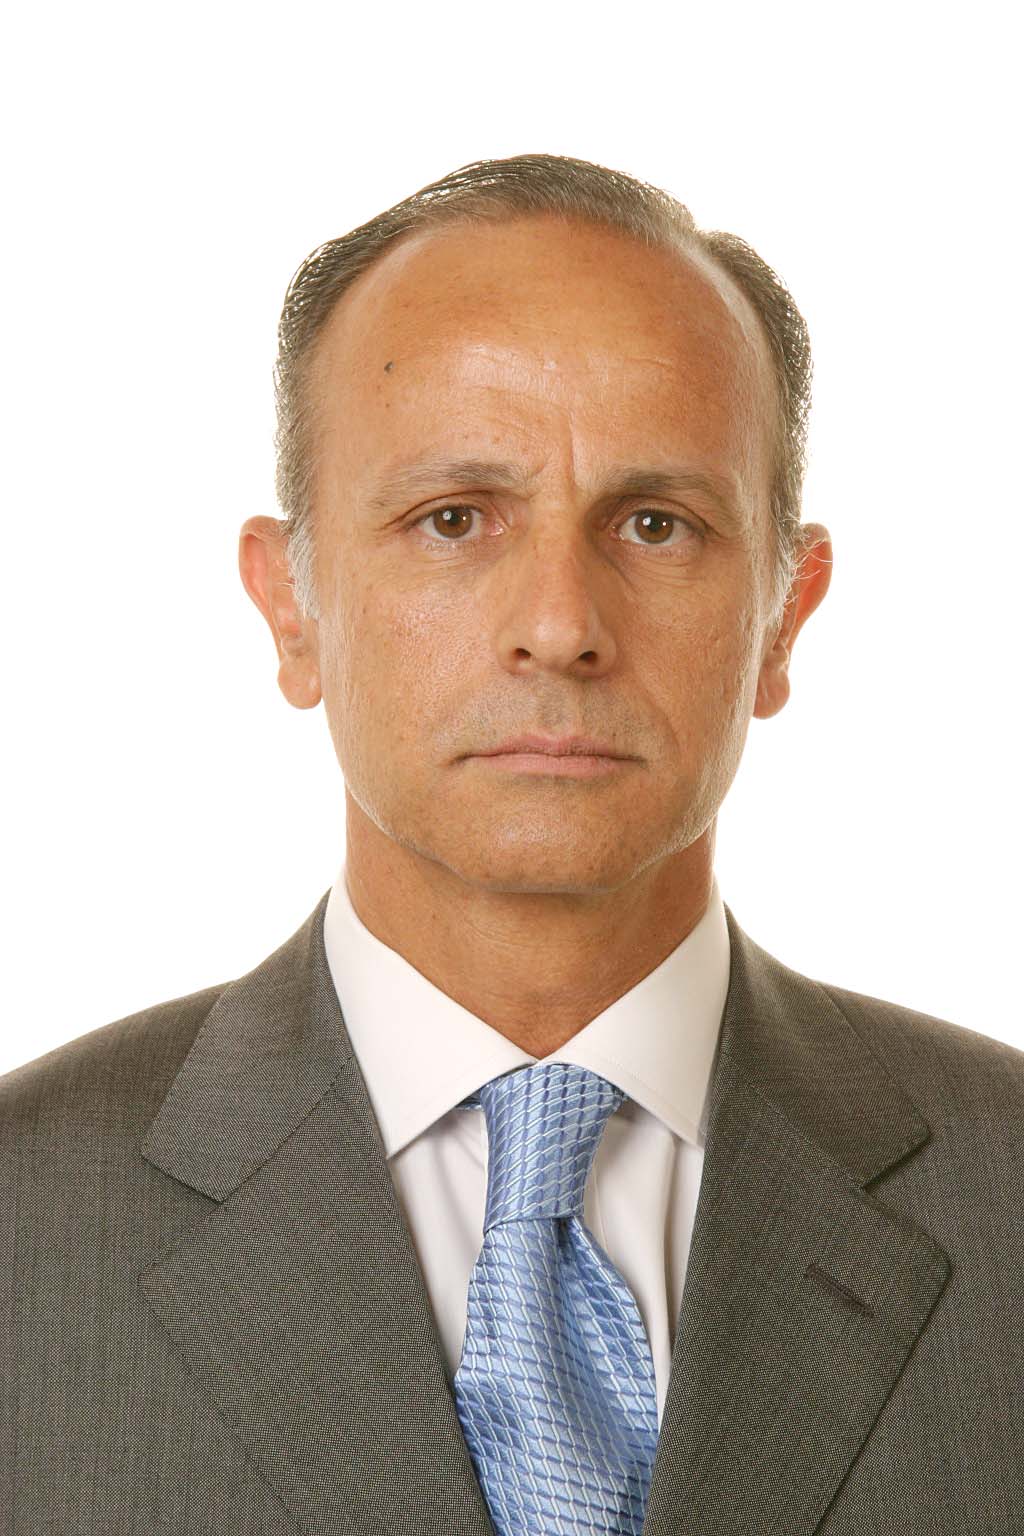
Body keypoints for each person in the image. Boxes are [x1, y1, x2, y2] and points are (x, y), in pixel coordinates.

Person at [3, 152, 1022, 1536]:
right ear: (291, 607)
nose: (559, 623)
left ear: (785, 616)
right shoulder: (24, 1217)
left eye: (656, 524)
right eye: (454, 520)